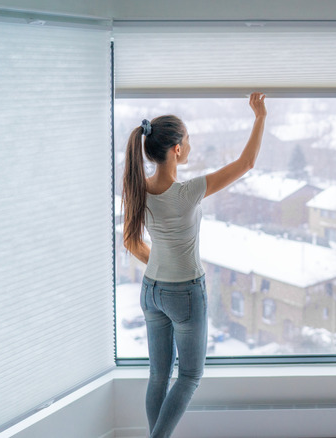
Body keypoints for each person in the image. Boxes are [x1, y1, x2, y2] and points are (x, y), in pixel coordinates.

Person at [122, 92, 267, 438]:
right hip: (184, 294)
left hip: (151, 291)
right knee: (188, 377)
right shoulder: (188, 191)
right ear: (175, 150)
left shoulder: (137, 188)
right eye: (187, 140)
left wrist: (160, 263)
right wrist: (260, 117)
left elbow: (131, 242)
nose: (190, 145)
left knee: (159, 375)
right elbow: (246, 164)